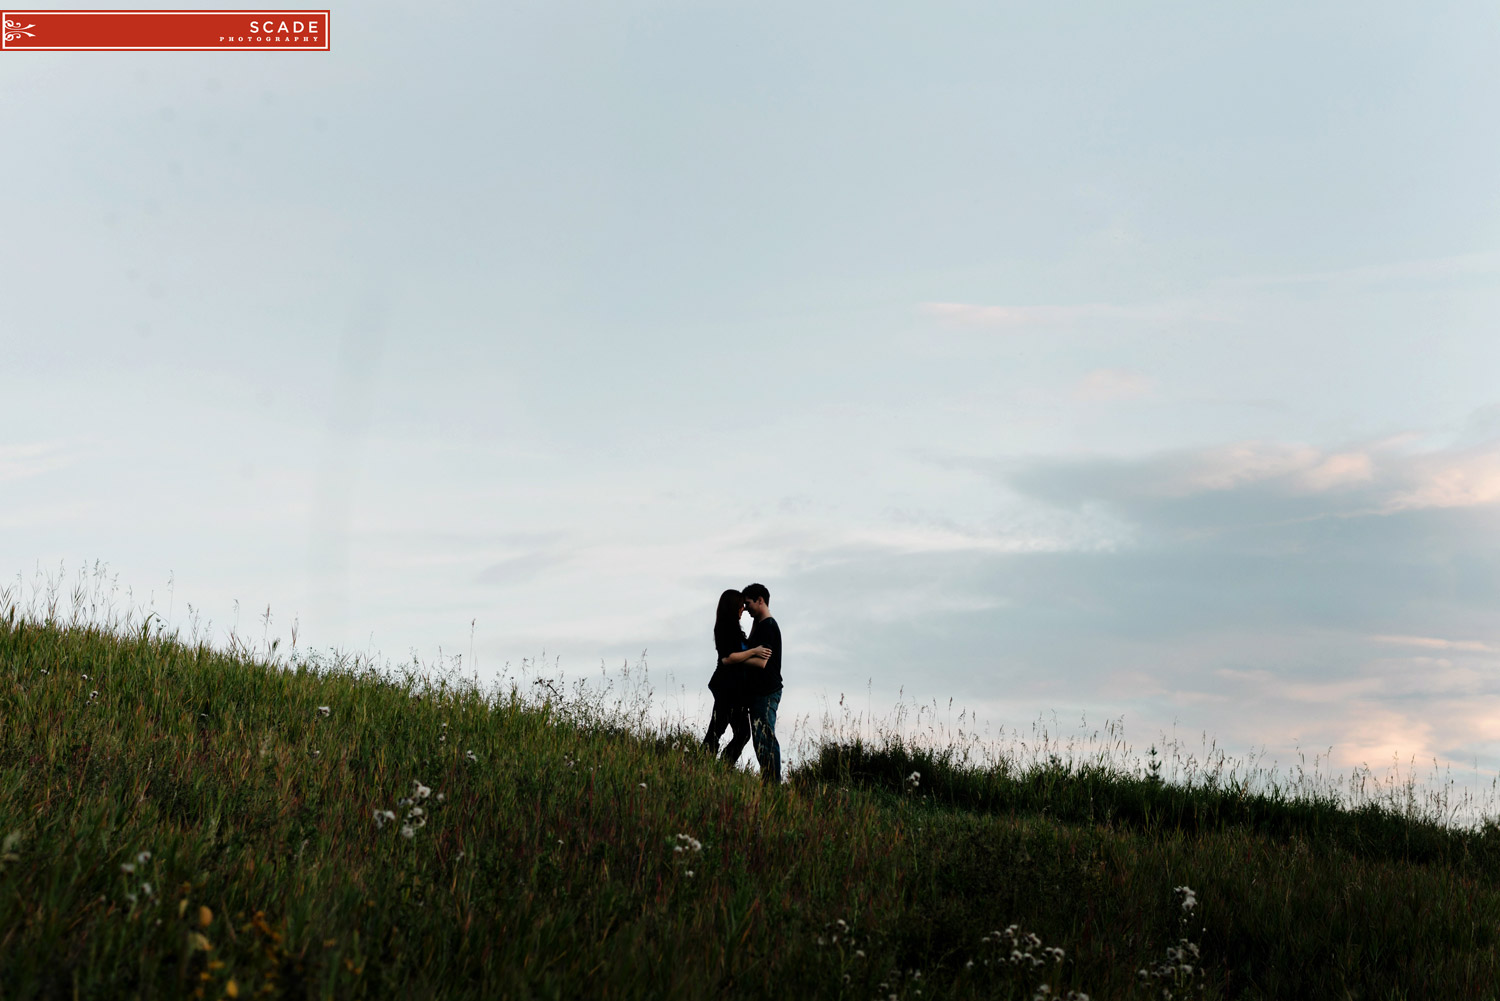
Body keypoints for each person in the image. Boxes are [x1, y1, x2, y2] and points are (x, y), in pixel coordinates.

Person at [703, 588, 770, 763]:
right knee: (720, 730)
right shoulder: (724, 629)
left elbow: (742, 650)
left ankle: (722, 765)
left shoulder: (735, 630)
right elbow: (728, 658)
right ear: (733, 607)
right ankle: (706, 764)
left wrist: (756, 625)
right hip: (727, 688)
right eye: (741, 607)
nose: (743, 610)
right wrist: (754, 651)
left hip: (736, 690)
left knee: (741, 733)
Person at [740, 582, 783, 784]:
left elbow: (761, 661)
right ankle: (769, 782)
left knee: (765, 737)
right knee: (760, 739)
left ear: (760, 601)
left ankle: (772, 784)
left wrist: (733, 659)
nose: (745, 608)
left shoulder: (768, 626)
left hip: (767, 691)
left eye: (748, 603)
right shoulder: (761, 624)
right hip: (760, 692)